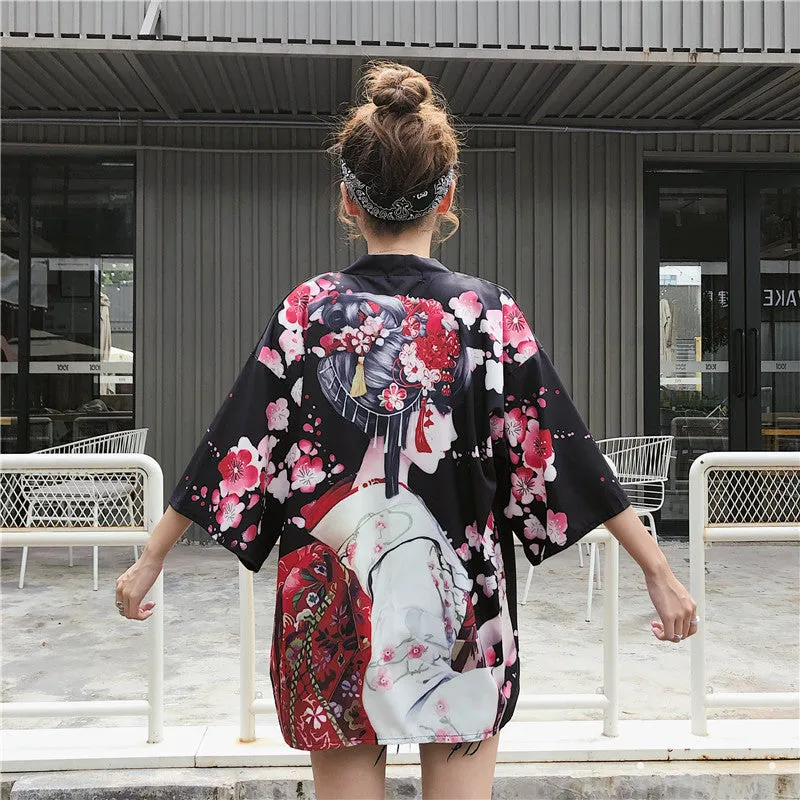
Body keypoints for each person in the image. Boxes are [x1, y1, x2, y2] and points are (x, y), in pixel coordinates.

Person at [115, 62, 698, 800]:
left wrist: (148, 561)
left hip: (333, 601)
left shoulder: (309, 313)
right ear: (448, 195)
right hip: (463, 610)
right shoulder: (487, 318)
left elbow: (233, 446)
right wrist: (660, 571)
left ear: (346, 202)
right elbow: (562, 454)